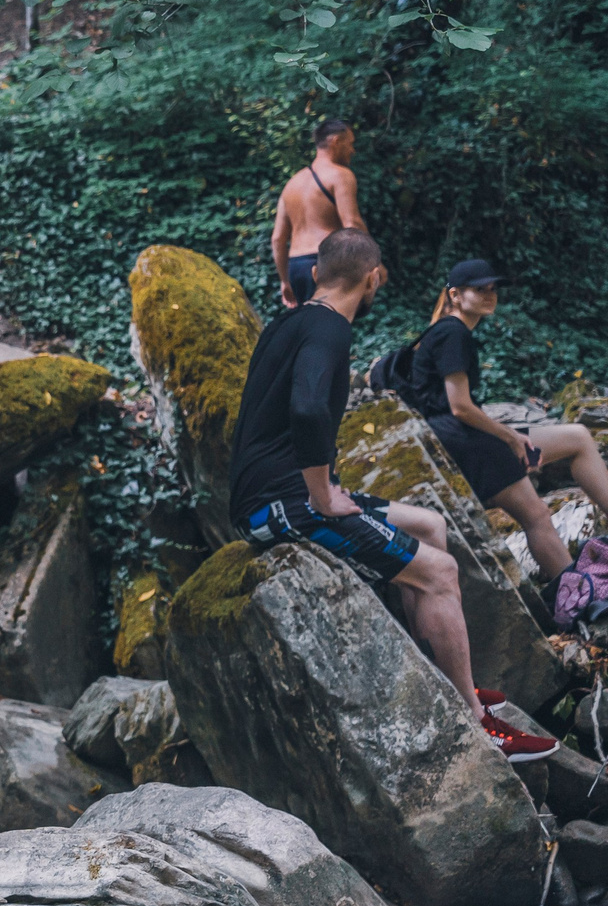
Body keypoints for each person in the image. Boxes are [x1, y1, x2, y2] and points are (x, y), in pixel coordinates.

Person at [227, 230, 555, 761]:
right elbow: (309, 408)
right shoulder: (330, 328)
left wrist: (325, 484)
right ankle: (476, 725)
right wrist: (322, 494)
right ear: (373, 277)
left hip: (275, 493)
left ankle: (452, 684)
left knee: (429, 526)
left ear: (316, 273)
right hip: (283, 503)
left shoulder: (290, 322)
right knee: (441, 572)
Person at [393, 258, 608, 598]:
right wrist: (510, 437)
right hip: (465, 442)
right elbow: (460, 406)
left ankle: (574, 592)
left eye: (492, 289)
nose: (490, 295)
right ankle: (577, 598)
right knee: (536, 515)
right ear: (455, 294)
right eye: (480, 290)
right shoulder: (453, 333)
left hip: (460, 437)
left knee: (578, 437)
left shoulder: (446, 331)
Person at [270, 117, 365, 308]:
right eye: (350, 143)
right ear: (336, 141)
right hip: (327, 262)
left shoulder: (291, 184)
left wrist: (285, 281)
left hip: (296, 266)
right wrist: (373, 262)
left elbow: (278, 240)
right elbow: (351, 223)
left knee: (308, 327)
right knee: (333, 325)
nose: (352, 150)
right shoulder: (340, 175)